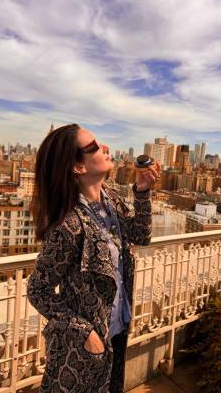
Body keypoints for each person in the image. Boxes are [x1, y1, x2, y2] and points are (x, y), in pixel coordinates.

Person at [27, 123, 158, 393]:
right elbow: (38, 290)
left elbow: (140, 235)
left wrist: (142, 191)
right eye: (94, 147)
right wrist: (84, 331)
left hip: (117, 330)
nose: (105, 147)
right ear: (78, 167)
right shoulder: (68, 224)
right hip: (83, 349)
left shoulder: (109, 199)